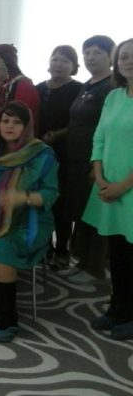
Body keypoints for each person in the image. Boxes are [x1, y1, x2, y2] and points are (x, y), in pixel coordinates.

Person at [0, 101, 58, 342]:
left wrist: (23, 197)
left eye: (17, 122)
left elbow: (51, 194)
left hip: (30, 220)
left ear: (27, 126)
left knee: (0, 249)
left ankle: (9, 318)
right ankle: (0, 301)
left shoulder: (42, 154)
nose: (9, 126)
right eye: (5, 121)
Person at [83, 38, 133, 340]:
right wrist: (99, 175)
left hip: (128, 190)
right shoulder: (114, 96)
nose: (128, 61)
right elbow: (99, 136)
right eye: (124, 56)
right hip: (108, 185)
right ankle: (117, 308)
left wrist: (121, 187)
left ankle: (129, 314)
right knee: (117, 254)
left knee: (131, 255)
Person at [63, 35, 116, 283]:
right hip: (75, 158)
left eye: (97, 52)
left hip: (95, 162)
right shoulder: (88, 85)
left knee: (94, 215)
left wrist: (98, 165)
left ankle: (94, 267)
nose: (90, 57)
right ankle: (82, 261)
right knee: (81, 211)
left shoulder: (112, 87)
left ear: (110, 56)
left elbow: (107, 130)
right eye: (86, 53)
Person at [35, 45, 83, 268]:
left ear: (73, 66)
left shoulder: (78, 89)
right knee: (40, 200)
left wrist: (58, 134)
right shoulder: (38, 88)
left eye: (65, 61)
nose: (59, 64)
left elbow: (80, 122)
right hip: (38, 152)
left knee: (61, 202)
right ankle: (45, 246)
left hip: (65, 153)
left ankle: (62, 248)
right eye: (55, 59)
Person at [0, 44, 40, 143]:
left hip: (14, 145)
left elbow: (20, 123)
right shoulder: (1, 85)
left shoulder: (23, 86)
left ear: (8, 63)